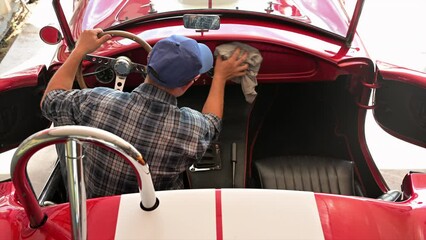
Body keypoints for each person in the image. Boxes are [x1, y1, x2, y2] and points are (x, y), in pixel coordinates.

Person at [40, 28, 248, 198]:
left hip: (95, 205)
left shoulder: (95, 101)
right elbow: (212, 124)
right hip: (152, 210)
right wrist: (220, 77)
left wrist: (79, 51)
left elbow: (49, 100)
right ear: (189, 83)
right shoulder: (192, 129)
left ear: (149, 60)